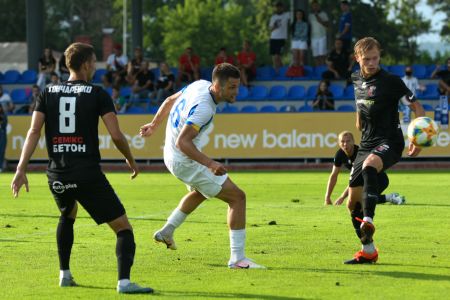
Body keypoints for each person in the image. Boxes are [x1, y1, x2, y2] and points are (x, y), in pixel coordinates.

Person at [10, 42, 153, 294]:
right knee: (123, 228)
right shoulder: (98, 94)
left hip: (57, 173)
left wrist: (21, 168)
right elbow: (117, 135)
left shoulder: (47, 92)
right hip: (86, 172)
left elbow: (34, 131)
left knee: (68, 214)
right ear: (87, 64)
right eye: (94, 62)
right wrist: (130, 159)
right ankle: (124, 282)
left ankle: (64, 274)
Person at [139, 63, 265, 269]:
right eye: (232, 87)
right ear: (217, 86)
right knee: (237, 197)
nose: (237, 92)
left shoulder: (199, 85)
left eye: (237, 86)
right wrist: (210, 163)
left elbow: (171, 100)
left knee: (202, 191)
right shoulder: (205, 108)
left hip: (170, 155)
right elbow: (183, 142)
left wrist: (154, 124)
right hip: (183, 159)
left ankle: (167, 231)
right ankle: (238, 259)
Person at [344, 37, 425, 264]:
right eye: (367, 59)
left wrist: (417, 139)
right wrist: (359, 120)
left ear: (380, 57)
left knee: (371, 165)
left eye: (375, 58)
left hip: (390, 140)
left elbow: (417, 107)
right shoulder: (355, 78)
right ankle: (368, 251)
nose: (371, 63)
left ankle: (368, 219)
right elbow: (359, 101)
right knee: (352, 204)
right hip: (367, 142)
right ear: (357, 58)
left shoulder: (391, 81)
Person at [325, 131, 406, 206]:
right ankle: (390, 197)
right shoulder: (339, 154)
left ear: (353, 141)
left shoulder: (360, 154)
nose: (345, 144)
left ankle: (391, 197)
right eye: (342, 141)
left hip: (379, 179)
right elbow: (334, 176)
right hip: (364, 179)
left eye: (348, 141)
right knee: (359, 199)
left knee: (362, 200)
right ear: (339, 143)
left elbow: (354, 180)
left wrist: (342, 197)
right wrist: (327, 197)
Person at [269, 1, 290, 73]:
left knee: (277, 56)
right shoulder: (273, 17)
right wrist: (275, 26)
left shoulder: (287, 15)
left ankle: (277, 71)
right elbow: (271, 29)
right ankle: (280, 70)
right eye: (277, 7)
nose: (278, 8)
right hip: (273, 38)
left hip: (281, 38)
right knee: (274, 56)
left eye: (280, 7)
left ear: (282, 8)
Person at [308, 0, 329, 66]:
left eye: (316, 6)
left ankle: (322, 68)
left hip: (322, 36)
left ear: (319, 6)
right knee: (315, 55)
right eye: (314, 6)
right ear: (312, 7)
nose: (315, 7)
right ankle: (318, 69)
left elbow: (327, 25)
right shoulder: (310, 15)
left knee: (322, 55)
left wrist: (318, 18)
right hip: (313, 37)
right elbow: (309, 27)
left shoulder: (323, 14)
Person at [0, 85, 13, 172]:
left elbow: (4, 122)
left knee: (1, 150)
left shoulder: (3, 114)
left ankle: (0, 167)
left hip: (2, 132)